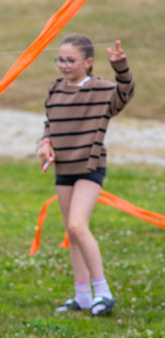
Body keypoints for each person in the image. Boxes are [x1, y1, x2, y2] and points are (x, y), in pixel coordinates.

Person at [38, 35, 135, 317]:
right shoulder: (55, 88)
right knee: (71, 231)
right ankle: (82, 296)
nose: (64, 65)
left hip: (90, 166)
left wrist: (121, 66)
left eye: (71, 60)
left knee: (79, 225)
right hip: (63, 168)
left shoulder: (102, 90)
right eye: (60, 59)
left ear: (88, 62)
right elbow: (49, 124)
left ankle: (102, 291)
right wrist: (45, 144)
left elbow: (126, 92)